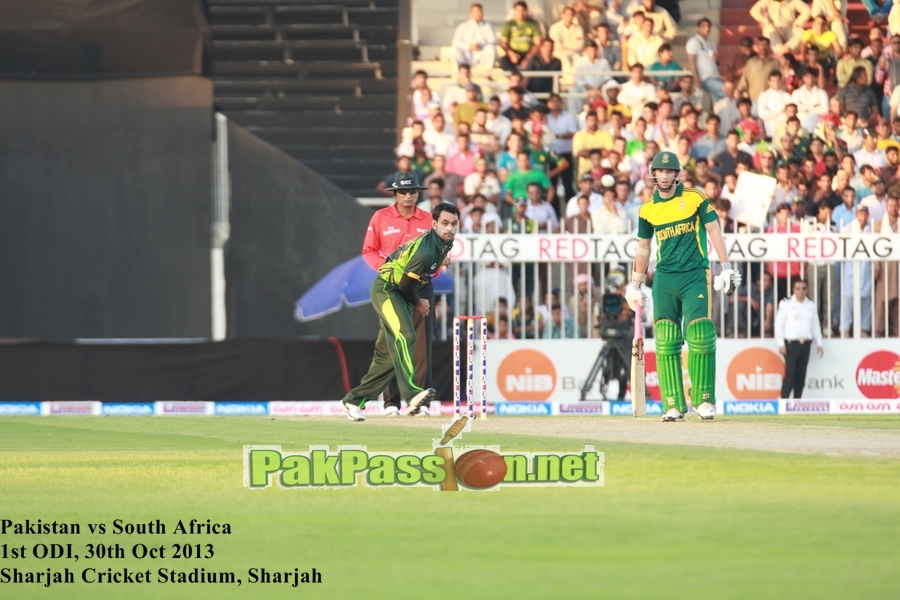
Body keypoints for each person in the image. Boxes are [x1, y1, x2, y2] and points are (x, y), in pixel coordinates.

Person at [626, 152, 742, 421]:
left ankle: (703, 400)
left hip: (695, 274)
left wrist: (725, 267)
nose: (664, 176)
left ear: (677, 173)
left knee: (700, 334)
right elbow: (644, 247)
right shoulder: (647, 209)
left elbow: (714, 231)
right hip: (665, 277)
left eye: (669, 171)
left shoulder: (695, 197)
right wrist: (635, 284)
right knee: (666, 340)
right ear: (653, 174)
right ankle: (672, 405)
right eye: (660, 171)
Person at [341, 200, 460, 422]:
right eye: (444, 223)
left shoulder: (444, 243)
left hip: (400, 292)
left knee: (386, 356)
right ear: (433, 224)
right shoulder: (426, 251)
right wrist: (419, 302)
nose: (450, 228)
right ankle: (413, 395)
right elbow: (404, 285)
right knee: (406, 336)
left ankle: (354, 400)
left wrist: (442, 259)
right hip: (388, 291)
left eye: (454, 224)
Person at [362, 172, 439, 416]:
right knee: (392, 340)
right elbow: (369, 250)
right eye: (403, 191)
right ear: (394, 193)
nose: (408, 195)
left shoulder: (429, 220)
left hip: (420, 285)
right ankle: (391, 403)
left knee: (420, 344)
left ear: (418, 193)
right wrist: (384, 268)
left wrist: (436, 267)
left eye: (412, 191)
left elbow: (440, 251)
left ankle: (419, 402)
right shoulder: (381, 217)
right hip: (391, 286)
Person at [775, 279, 825, 399]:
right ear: (793, 290)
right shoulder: (786, 304)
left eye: (803, 288)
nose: (801, 291)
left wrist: (819, 342)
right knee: (790, 374)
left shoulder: (811, 305)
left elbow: (815, 325)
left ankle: (797, 402)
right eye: (798, 288)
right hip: (791, 343)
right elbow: (779, 324)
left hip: (805, 343)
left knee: (801, 376)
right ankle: (784, 401)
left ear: (807, 290)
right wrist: (781, 344)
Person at [451, 3, 497, 69]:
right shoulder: (463, 26)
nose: (479, 14)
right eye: (477, 12)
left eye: (481, 11)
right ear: (471, 14)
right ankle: (459, 73)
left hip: (481, 51)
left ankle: (488, 72)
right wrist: (469, 46)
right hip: (467, 52)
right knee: (454, 50)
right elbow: (455, 41)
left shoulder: (488, 26)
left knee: (491, 48)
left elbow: (492, 40)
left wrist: (479, 45)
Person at [499, 1, 542, 70]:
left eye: (522, 10)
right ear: (514, 11)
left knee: (536, 63)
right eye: (518, 10)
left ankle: (526, 79)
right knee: (503, 62)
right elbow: (503, 43)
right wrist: (511, 54)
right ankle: (515, 76)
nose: (520, 13)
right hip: (514, 53)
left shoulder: (533, 24)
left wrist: (528, 58)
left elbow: (538, 44)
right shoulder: (509, 24)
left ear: (526, 11)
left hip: (529, 54)